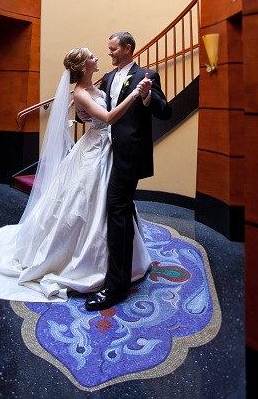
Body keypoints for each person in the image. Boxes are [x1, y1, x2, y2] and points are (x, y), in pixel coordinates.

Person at [0, 47, 152, 303]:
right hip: (94, 150)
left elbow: (97, 110)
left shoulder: (92, 88)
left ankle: (119, 261)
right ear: (82, 67)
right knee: (84, 202)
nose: (97, 58)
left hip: (106, 148)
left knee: (113, 205)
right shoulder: (80, 92)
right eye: (92, 57)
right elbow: (110, 117)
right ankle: (84, 262)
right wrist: (135, 93)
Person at [82, 31, 172, 311]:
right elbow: (100, 111)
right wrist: (81, 111)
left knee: (117, 210)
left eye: (113, 49)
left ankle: (117, 286)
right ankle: (133, 263)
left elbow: (165, 110)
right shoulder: (108, 78)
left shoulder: (147, 76)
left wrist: (146, 98)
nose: (109, 54)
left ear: (127, 49)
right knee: (119, 210)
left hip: (129, 156)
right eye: (108, 49)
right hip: (105, 153)